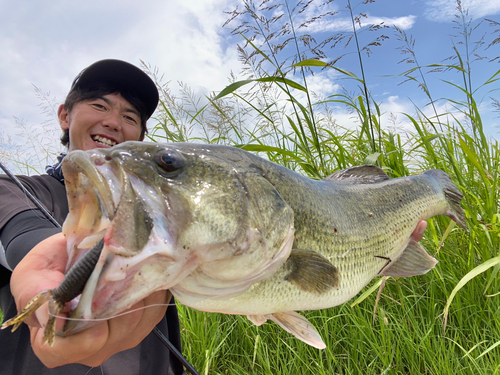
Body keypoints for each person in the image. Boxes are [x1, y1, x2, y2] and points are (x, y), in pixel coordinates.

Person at [0, 59, 186, 375]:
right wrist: (49, 262)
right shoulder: (13, 189)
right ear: (64, 115)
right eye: (100, 106)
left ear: (139, 138)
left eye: (129, 116)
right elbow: (20, 234)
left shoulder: (167, 208)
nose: (113, 122)